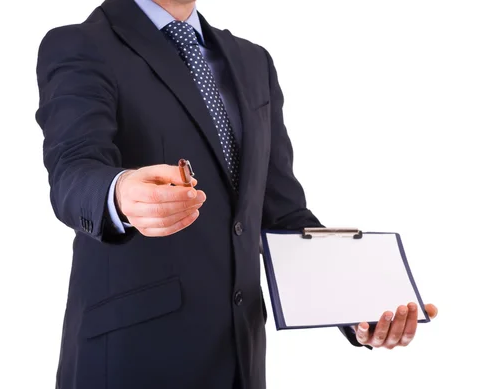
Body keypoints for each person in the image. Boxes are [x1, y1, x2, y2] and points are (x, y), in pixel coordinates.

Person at [35, 0, 438, 388]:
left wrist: (354, 309)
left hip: (239, 357)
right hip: (133, 357)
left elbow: (281, 213)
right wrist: (120, 193)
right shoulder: (81, 43)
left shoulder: (252, 60)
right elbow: (73, 167)